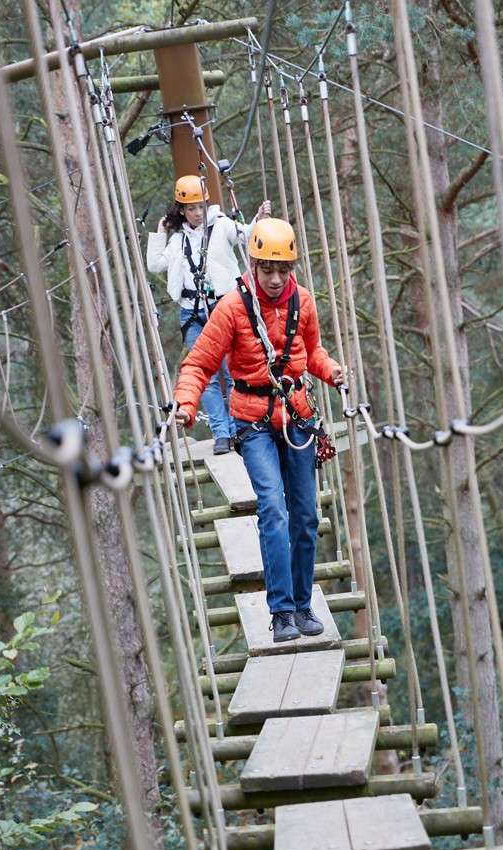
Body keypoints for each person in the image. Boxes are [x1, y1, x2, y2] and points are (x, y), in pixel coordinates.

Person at [173, 218, 345, 642]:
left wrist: (333, 372)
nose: (273, 278)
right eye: (266, 269)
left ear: (291, 270)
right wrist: (186, 404)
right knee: (272, 507)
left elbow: (313, 350)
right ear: (252, 264)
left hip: (297, 416)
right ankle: (281, 611)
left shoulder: (302, 302)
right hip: (252, 422)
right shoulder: (232, 307)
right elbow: (199, 363)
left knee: (305, 516)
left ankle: (304, 606)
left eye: (282, 270)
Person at [147, 174, 272, 455]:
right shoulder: (178, 239)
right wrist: (160, 231)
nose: (198, 213)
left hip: (222, 308)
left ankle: (239, 427)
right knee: (207, 376)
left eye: (201, 206)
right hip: (191, 313)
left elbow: (246, 236)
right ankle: (222, 433)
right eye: (191, 208)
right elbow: (155, 264)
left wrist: (259, 219)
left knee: (231, 370)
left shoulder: (221, 225)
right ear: (182, 210)